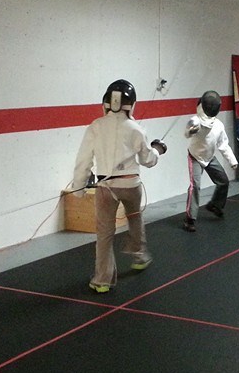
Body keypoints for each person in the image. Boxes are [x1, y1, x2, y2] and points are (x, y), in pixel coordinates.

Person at [70, 79, 167, 293]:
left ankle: (102, 280)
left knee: (104, 233)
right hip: (131, 185)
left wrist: (79, 188)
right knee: (135, 217)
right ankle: (139, 256)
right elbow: (148, 160)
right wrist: (158, 149)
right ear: (131, 104)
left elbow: (83, 159)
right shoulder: (136, 129)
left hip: (106, 187)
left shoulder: (96, 126)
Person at [183, 90, 239, 232]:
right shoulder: (195, 121)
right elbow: (186, 135)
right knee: (194, 186)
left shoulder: (218, 125)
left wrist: (232, 160)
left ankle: (215, 205)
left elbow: (223, 144)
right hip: (195, 157)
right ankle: (190, 219)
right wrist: (189, 130)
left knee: (223, 181)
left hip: (209, 157)